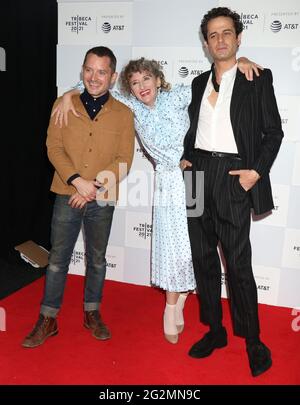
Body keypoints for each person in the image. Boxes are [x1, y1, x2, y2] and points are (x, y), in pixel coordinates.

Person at [53, 56, 260, 345]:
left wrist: (239, 63)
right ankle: (170, 306)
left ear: (158, 80)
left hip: (195, 179)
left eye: (146, 79)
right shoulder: (131, 107)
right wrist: (67, 95)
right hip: (166, 183)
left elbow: (217, 78)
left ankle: (179, 302)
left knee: (195, 249)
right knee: (172, 248)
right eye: (135, 83)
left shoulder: (178, 96)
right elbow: (92, 83)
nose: (141, 86)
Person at [182, 7, 283, 377]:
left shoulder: (256, 77)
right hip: (195, 176)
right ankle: (215, 330)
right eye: (213, 35)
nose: (220, 39)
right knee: (202, 258)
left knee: (238, 264)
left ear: (238, 38)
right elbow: (186, 125)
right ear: (206, 44)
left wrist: (255, 172)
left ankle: (253, 339)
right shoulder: (196, 83)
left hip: (233, 173)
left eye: (227, 33)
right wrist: (185, 157)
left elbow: (274, 133)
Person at [22, 46, 135, 348]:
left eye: (101, 72)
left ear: (112, 77)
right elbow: (53, 147)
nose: (94, 77)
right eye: (89, 69)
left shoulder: (124, 114)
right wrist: (76, 181)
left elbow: (125, 158)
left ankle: (92, 313)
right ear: (82, 70)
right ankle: (48, 318)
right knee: (58, 260)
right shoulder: (63, 106)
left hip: (102, 196)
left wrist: (93, 186)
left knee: (96, 260)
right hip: (66, 193)